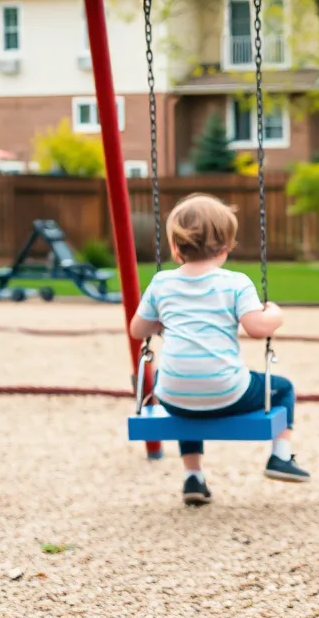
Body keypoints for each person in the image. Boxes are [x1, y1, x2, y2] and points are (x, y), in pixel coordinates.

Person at [128, 193, 309, 506]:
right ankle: (280, 456)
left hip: (173, 396)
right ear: (226, 247)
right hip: (229, 392)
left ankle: (192, 476)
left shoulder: (161, 283)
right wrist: (275, 313)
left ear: (174, 247)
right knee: (282, 389)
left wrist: (162, 322)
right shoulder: (235, 283)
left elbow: (137, 330)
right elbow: (257, 328)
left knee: (185, 388)